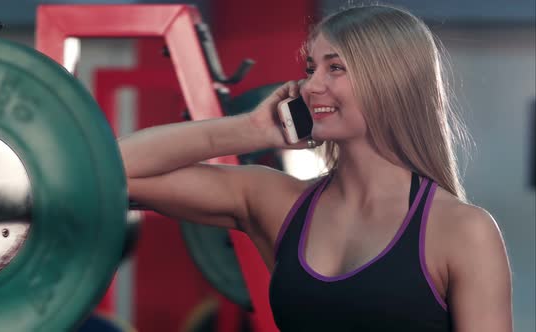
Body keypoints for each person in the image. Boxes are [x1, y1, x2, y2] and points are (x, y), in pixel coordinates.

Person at [119, 4, 512, 331]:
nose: (309, 86)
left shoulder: (463, 231)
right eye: (310, 69)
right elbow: (112, 171)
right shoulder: (279, 203)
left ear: (390, 83)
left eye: (334, 68)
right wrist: (250, 129)